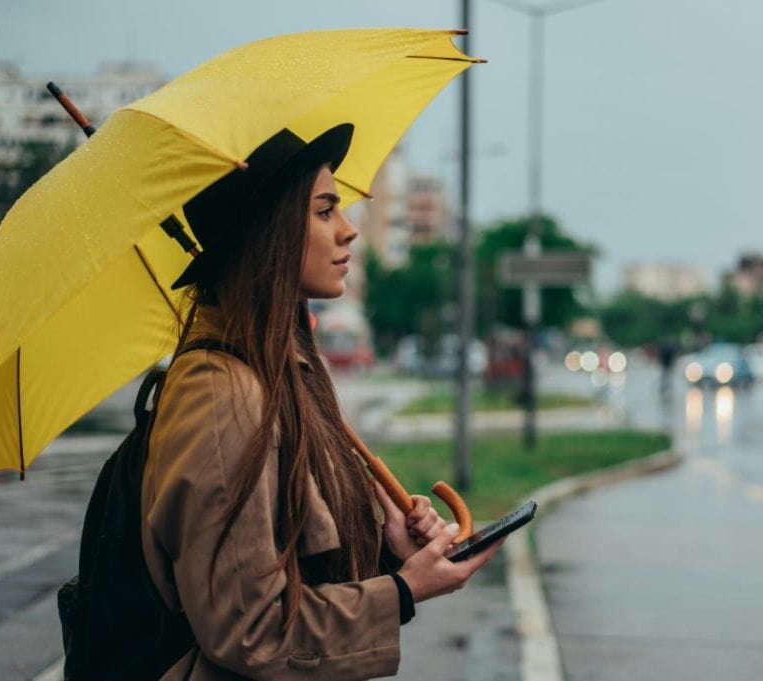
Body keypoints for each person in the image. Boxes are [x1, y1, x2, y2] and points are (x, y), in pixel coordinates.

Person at [141, 123, 502, 680]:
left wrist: (387, 551)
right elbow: (250, 630)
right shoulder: (222, 394)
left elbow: (297, 563)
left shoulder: (285, 370)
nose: (350, 230)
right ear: (270, 230)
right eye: (325, 210)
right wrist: (403, 592)